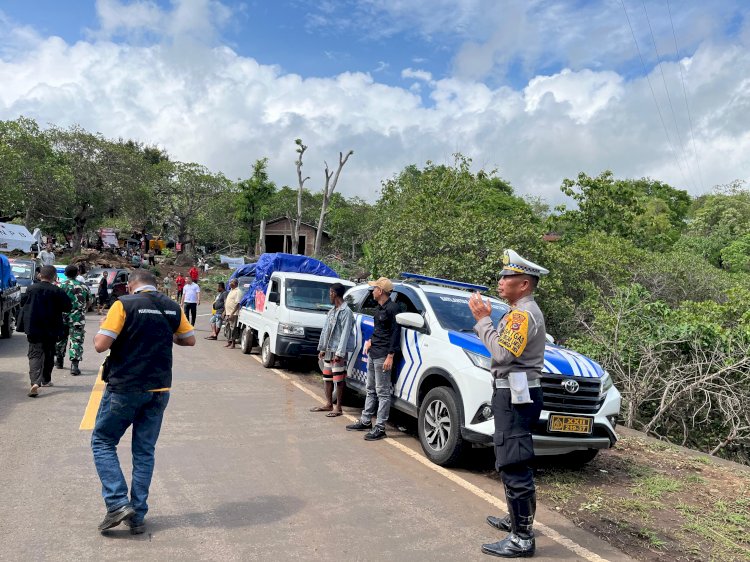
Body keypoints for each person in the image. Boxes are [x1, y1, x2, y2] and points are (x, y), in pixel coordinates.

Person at [92, 268, 195, 534]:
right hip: (159, 388)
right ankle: (136, 516)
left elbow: (101, 345)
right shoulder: (171, 306)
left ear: (131, 286)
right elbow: (189, 339)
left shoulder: (123, 305)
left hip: (125, 386)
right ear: (155, 285)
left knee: (102, 441)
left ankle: (116, 503)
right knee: (144, 451)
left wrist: (103, 329)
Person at [468, 249, 548, 558]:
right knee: (513, 459)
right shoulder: (520, 311)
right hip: (516, 393)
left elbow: (502, 355)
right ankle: (517, 520)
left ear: (524, 283)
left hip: (515, 396)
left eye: (507, 277)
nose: (500, 282)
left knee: (513, 462)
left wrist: (483, 320)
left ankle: (522, 538)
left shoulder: (522, 314)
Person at [346, 277, 400, 441]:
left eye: (374, 288)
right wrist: (370, 342)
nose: (372, 291)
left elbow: (395, 334)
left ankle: (380, 427)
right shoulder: (379, 309)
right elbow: (379, 331)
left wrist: (390, 355)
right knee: (370, 389)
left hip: (383, 355)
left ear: (381, 291)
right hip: (374, 352)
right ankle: (365, 420)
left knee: (383, 393)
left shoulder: (393, 309)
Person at [18, 265, 71, 396]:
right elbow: (68, 307)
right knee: (49, 353)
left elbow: (22, 302)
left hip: (34, 327)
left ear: (40, 275)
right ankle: (46, 379)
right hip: (52, 329)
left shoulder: (31, 289)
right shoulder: (57, 291)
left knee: (35, 353)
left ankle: (35, 382)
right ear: (54, 277)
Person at [313, 283, 354, 417]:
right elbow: (325, 331)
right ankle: (329, 404)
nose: (329, 296)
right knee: (327, 378)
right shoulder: (332, 311)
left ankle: (338, 407)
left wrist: (340, 353)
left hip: (337, 351)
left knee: (339, 379)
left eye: (330, 293)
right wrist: (322, 348)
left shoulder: (346, 312)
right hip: (329, 349)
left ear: (334, 293)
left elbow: (345, 334)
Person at [55, 264, 91, 376]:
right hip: (78, 317)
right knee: (76, 340)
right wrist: (82, 309)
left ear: (65, 274)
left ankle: (59, 361)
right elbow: (89, 301)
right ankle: (74, 366)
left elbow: (55, 302)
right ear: (78, 273)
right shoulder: (84, 286)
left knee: (60, 339)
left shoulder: (60, 286)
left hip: (62, 317)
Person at [222, 279, 242, 348]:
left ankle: (233, 344)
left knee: (233, 328)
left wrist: (232, 314)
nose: (230, 283)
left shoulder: (238, 291)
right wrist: (224, 312)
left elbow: (238, 304)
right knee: (227, 328)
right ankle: (229, 342)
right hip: (228, 312)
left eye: (231, 282)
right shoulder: (231, 291)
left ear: (236, 283)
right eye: (230, 282)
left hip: (233, 313)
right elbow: (228, 302)